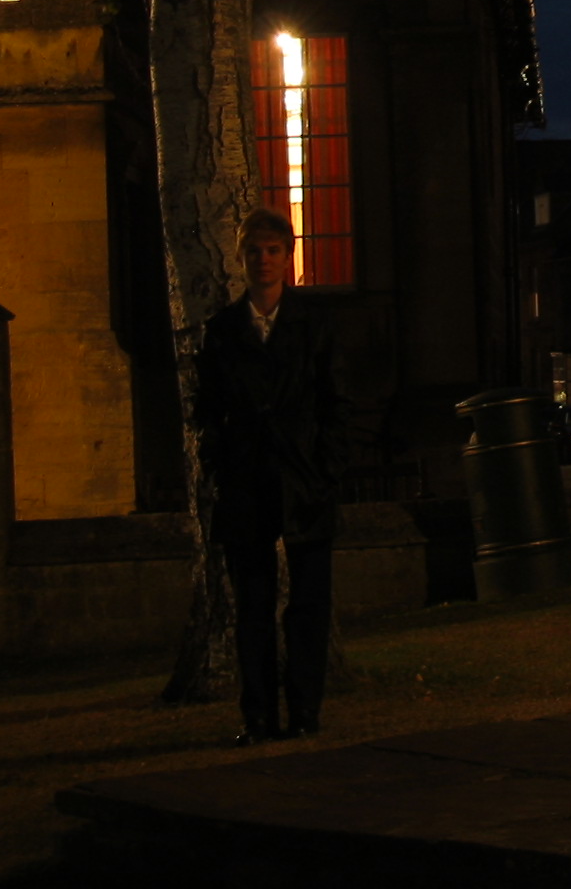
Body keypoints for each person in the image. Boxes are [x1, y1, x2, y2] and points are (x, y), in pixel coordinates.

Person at [194, 207, 346, 745]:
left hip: (303, 480)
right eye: (254, 251)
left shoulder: (314, 326)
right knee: (253, 607)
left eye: (272, 250)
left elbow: (335, 403)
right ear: (242, 259)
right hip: (248, 483)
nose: (263, 260)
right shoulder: (223, 332)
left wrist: (324, 468)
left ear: (288, 257)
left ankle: (305, 711)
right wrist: (219, 463)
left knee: (308, 605)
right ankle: (257, 715)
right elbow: (207, 411)